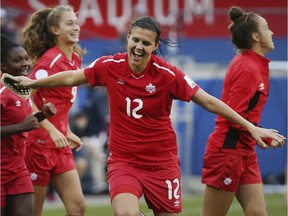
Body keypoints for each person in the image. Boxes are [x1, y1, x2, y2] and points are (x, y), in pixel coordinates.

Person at [15, 15, 285, 216]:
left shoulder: (168, 75)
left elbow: (210, 102)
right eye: (135, 40)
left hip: (161, 163)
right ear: (129, 38)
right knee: (126, 213)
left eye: (146, 43)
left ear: (155, 46)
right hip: (124, 160)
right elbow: (73, 77)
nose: (139, 47)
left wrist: (252, 128)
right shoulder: (110, 66)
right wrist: (33, 83)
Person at [201, 6, 286, 216]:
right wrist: (259, 132)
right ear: (256, 36)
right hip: (228, 151)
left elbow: (244, 115)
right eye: (267, 29)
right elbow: (231, 116)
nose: (272, 33)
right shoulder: (247, 67)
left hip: (245, 150)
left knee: (258, 213)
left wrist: (260, 135)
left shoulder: (255, 64)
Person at [20, 5, 86, 216]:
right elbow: (24, 98)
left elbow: (60, 102)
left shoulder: (75, 58)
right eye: (69, 23)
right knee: (33, 212)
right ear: (55, 30)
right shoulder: (50, 61)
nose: (75, 27)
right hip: (38, 144)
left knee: (77, 208)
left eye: (76, 22)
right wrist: (51, 130)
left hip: (60, 144)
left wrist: (65, 130)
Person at [0, 34, 56, 216]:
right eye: (17, 60)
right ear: (3, 66)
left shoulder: (20, 88)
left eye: (26, 58)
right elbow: (19, 126)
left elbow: (19, 122)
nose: (25, 64)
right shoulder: (2, 91)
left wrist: (41, 115)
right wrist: (20, 127)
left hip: (17, 169)